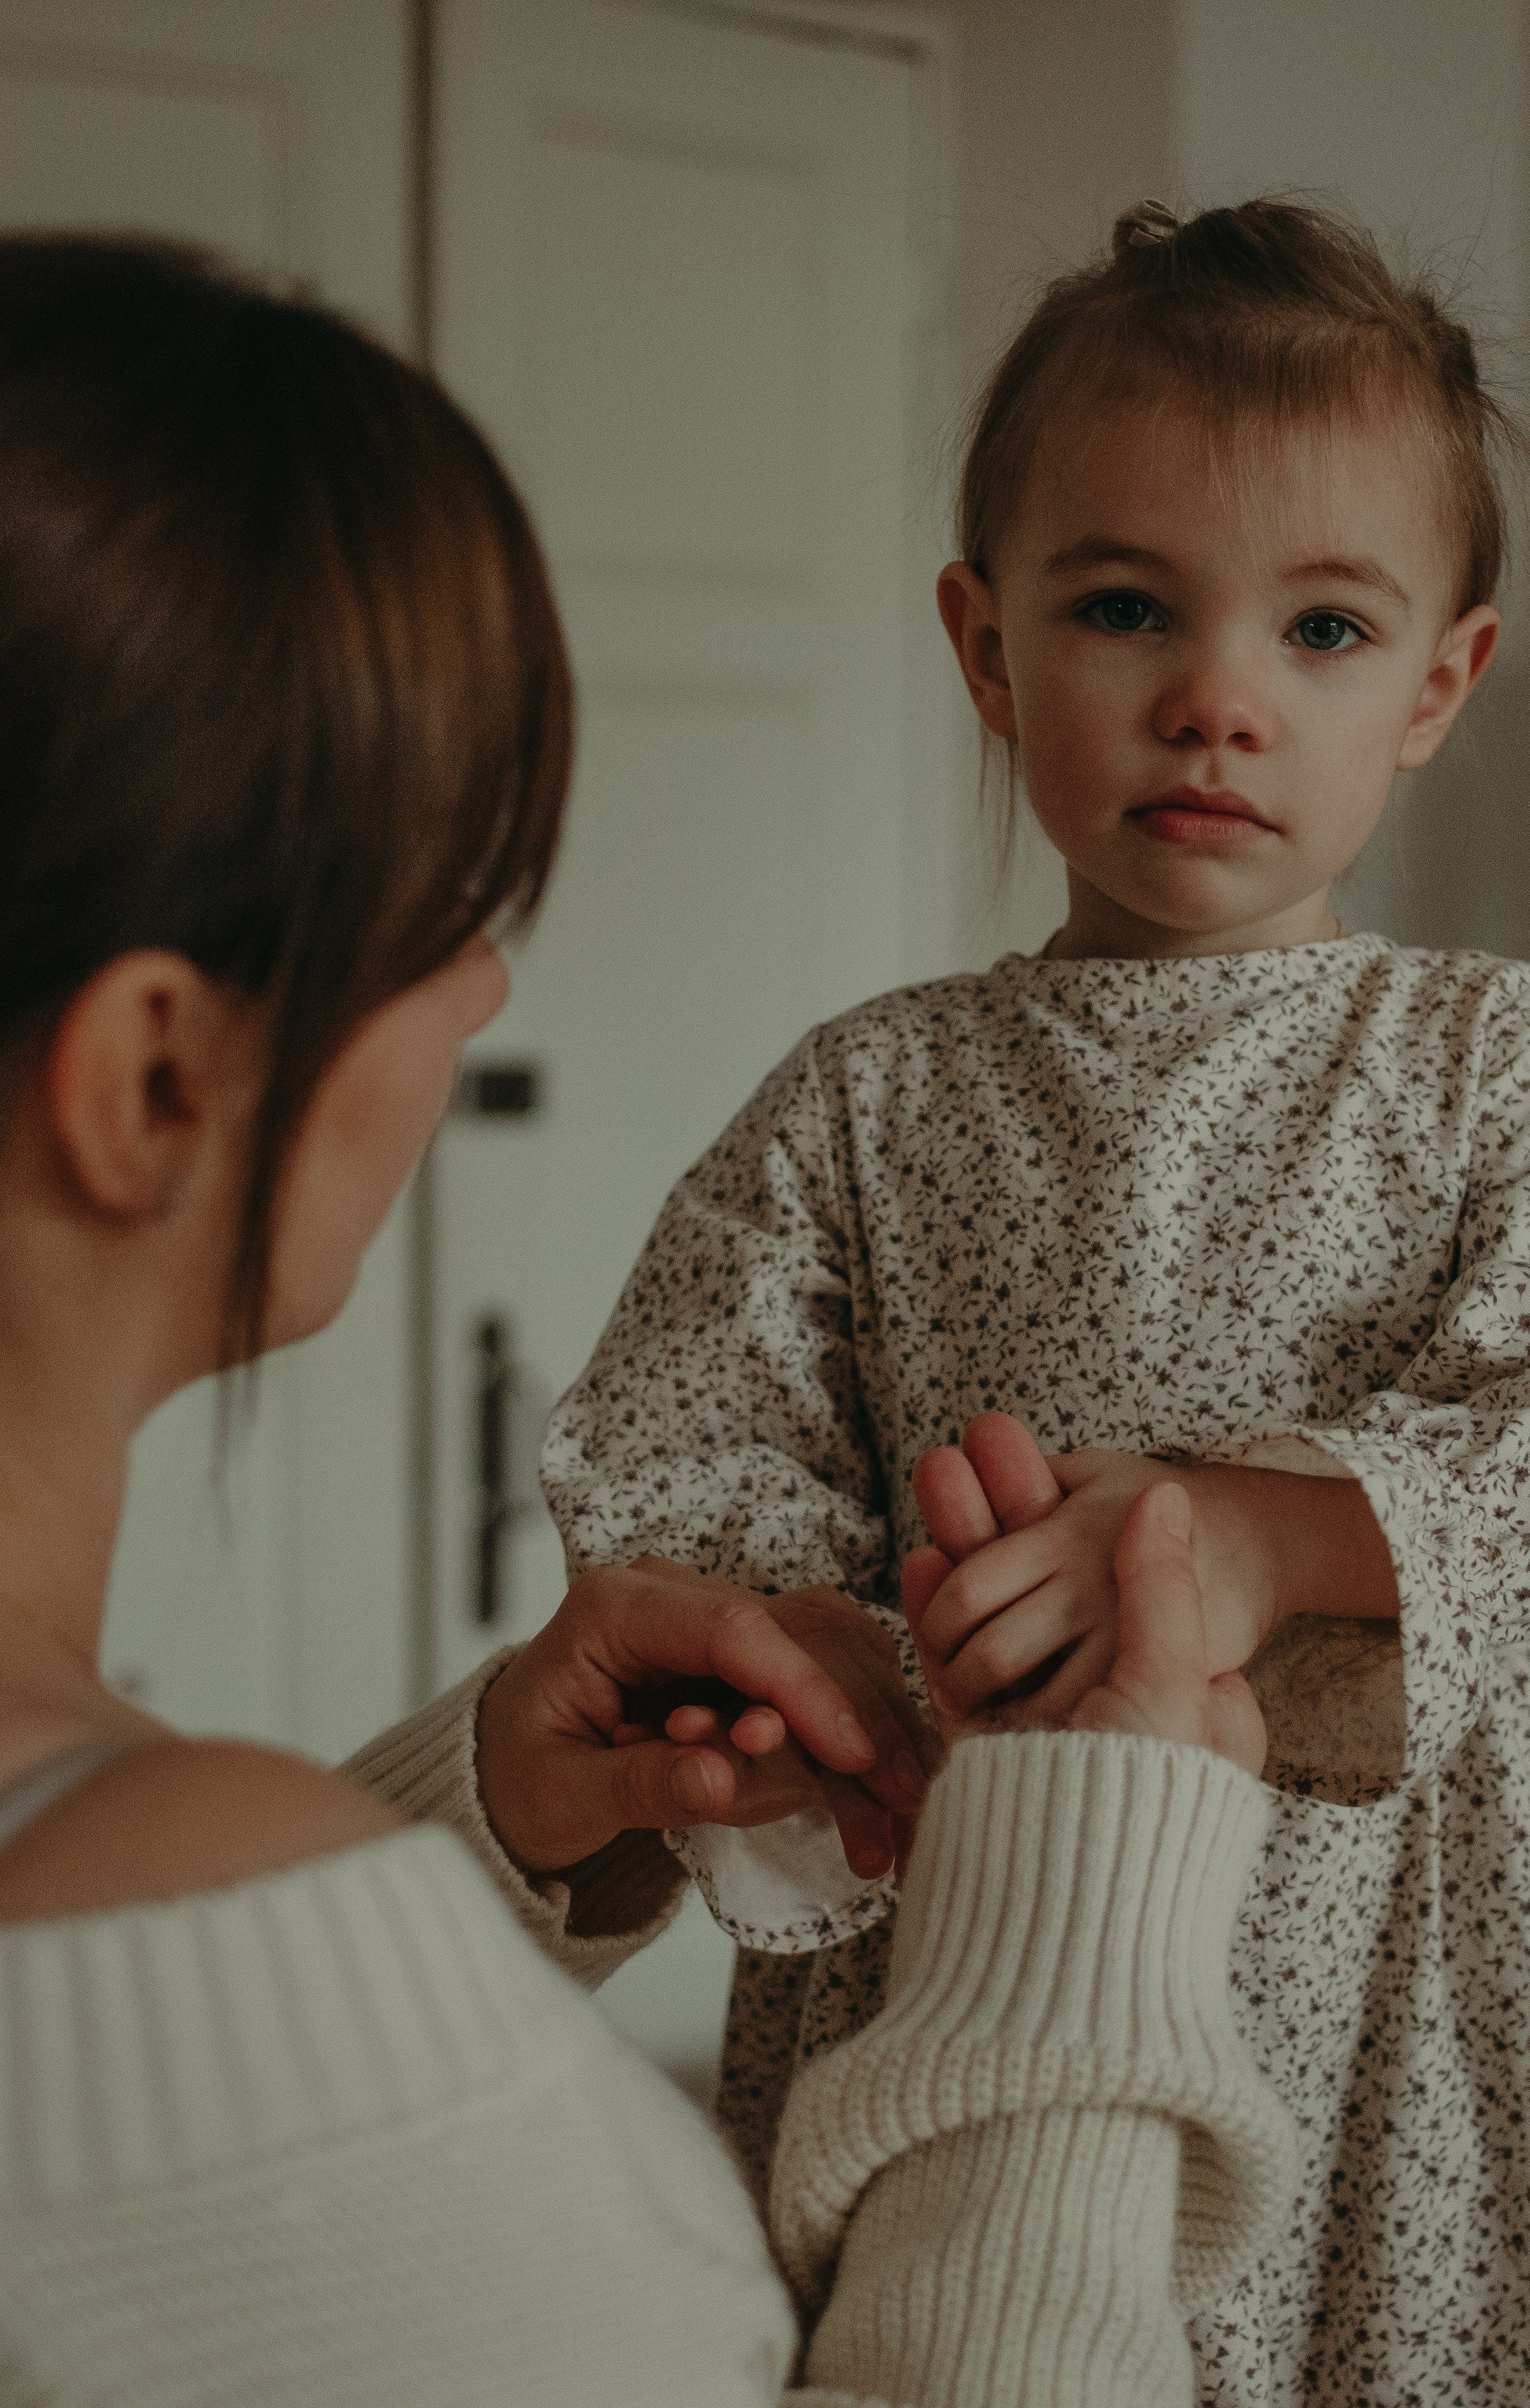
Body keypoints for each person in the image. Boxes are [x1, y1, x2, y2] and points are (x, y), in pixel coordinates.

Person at [0, 233, 1295, 2405]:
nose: (487, 988)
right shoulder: (169, 1949)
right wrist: (1083, 1898)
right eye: (452, 907)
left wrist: (475, 1811)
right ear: (150, 1081)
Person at [540, 199, 1530, 2402]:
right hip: (991, 1892)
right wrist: (843, 1652)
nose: (1217, 697)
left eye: (1321, 627)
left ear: (1434, 683)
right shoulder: (866, 1095)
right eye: (1126, 607)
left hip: (1415, 1956)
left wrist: (1255, 1539)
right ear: (985, 647)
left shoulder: (1493, 1058)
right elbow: (680, 1446)